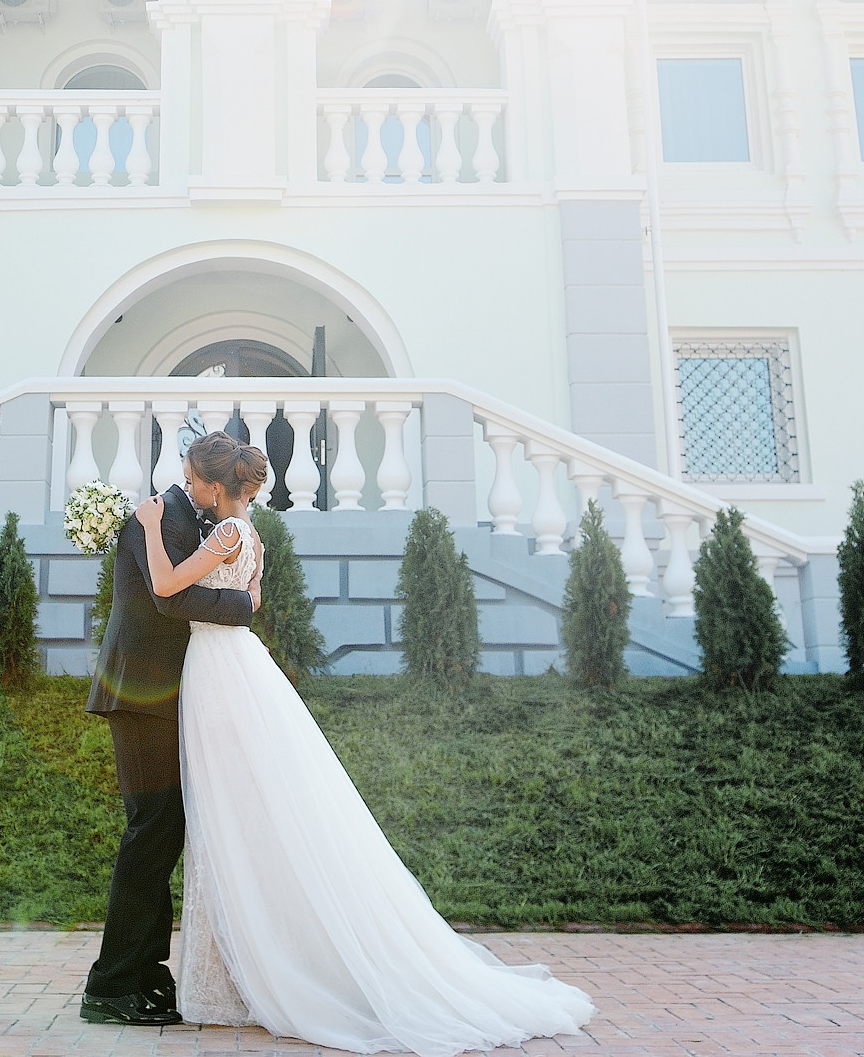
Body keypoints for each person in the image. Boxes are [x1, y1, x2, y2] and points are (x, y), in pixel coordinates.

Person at [134, 442, 595, 1057]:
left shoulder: (223, 537)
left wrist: (146, 527)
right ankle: (240, 968)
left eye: (192, 480)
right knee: (234, 813)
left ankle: (252, 970)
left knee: (229, 813)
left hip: (221, 673)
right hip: (230, 665)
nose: (186, 488)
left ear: (217, 489)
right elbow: (254, 601)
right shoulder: (249, 534)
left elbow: (166, 585)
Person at [80, 430, 259, 1027]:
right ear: (206, 481)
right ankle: (112, 985)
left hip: (163, 697)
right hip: (139, 696)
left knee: (164, 831)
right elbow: (171, 600)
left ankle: (147, 973)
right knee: (151, 830)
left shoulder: (190, 517)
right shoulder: (159, 517)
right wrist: (245, 610)